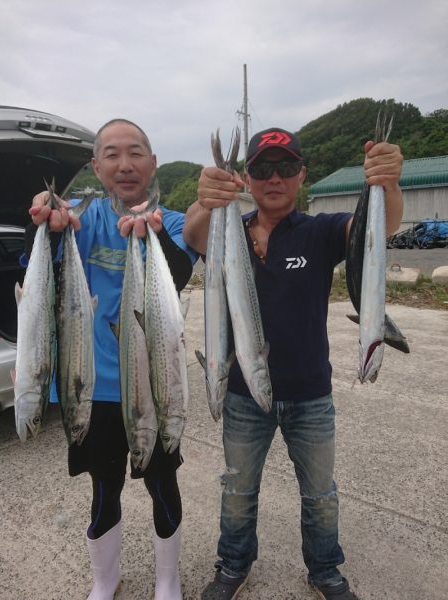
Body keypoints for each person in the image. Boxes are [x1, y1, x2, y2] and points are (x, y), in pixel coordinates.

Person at [182, 126, 404, 600]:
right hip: (242, 394)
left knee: (320, 493)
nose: (274, 177)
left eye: (285, 167)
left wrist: (387, 185)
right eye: (263, 168)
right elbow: (193, 234)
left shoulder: (320, 231)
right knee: (237, 490)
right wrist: (205, 200)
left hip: (310, 394)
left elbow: (377, 230)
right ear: (247, 177)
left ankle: (325, 570)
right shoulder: (229, 231)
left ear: (302, 175)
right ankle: (233, 564)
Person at [26, 118, 198, 600]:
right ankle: (105, 579)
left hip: (156, 389)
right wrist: (47, 224)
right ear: (96, 166)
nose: (126, 164)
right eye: (113, 155)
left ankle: (168, 580)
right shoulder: (81, 216)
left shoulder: (177, 222)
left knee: (163, 486)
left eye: (137, 152)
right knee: (105, 490)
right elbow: (39, 265)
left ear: (153, 162)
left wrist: (155, 235)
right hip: (95, 388)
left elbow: (178, 274)